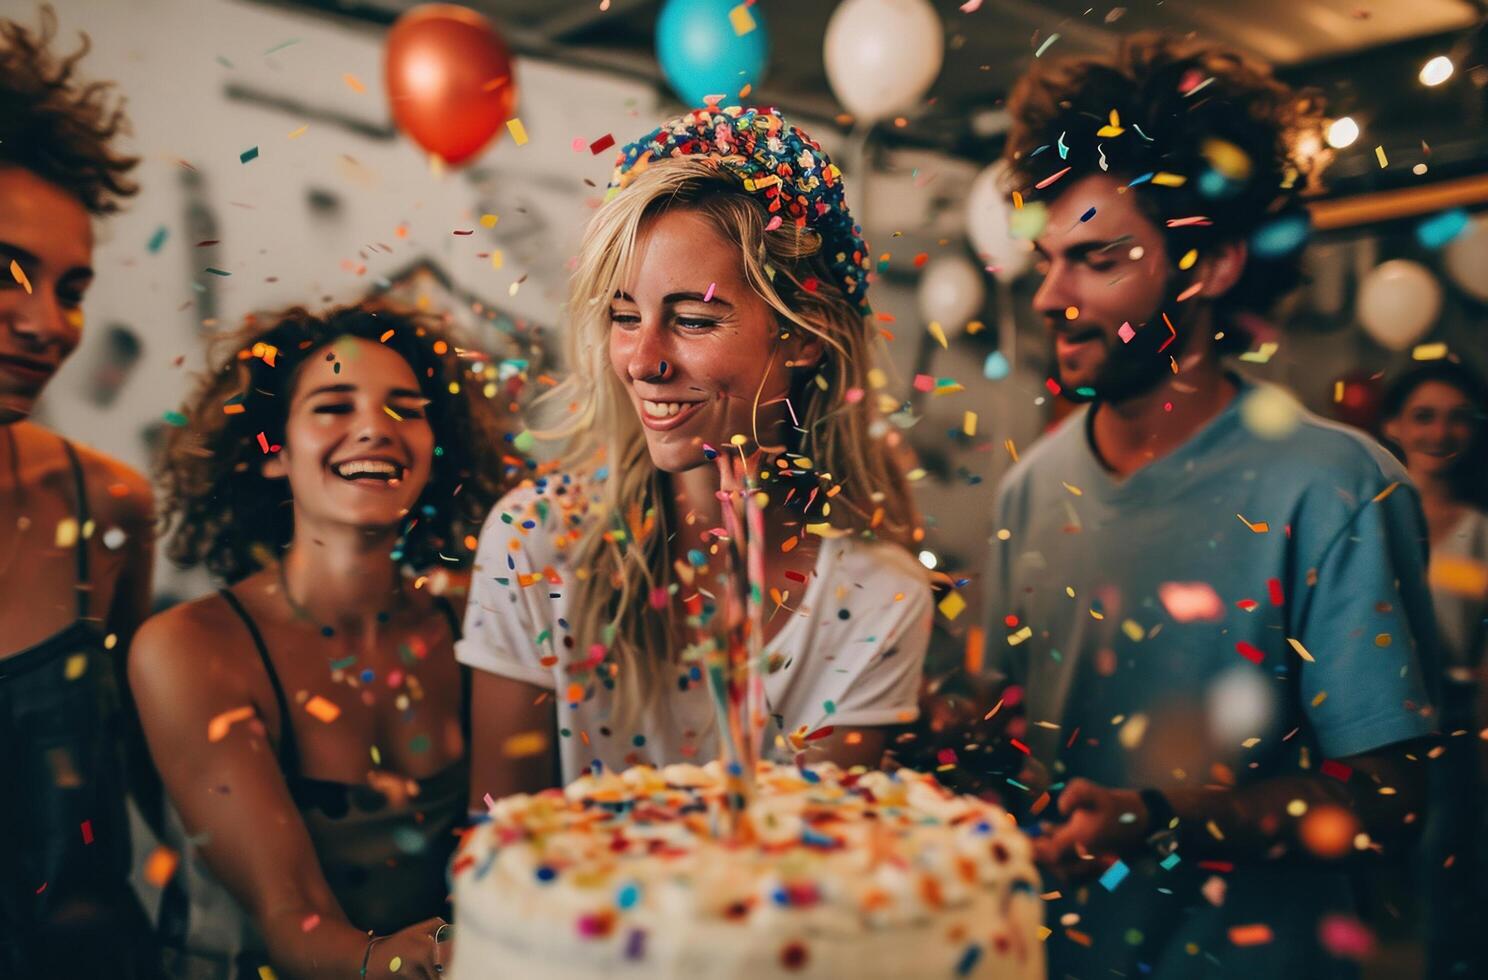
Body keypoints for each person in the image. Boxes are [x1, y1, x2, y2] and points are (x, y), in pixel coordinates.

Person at [979, 36, 1438, 978]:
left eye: (1097, 259)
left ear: (1214, 265)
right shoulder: (1030, 489)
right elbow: (1013, 725)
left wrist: (1162, 821)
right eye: (1048, 259)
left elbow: (1392, 798)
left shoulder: (1336, 487)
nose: (1052, 295)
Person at [459, 105, 933, 803]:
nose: (642, 360)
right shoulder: (533, 544)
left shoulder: (877, 598)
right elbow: (497, 842)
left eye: (692, 320)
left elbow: (816, 870)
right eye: (625, 316)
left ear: (804, 336)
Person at [129, 306, 509, 979]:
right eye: (334, 405)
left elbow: (507, 853)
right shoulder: (189, 647)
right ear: (271, 451)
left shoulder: (479, 614)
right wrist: (399, 961)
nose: (375, 428)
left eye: (406, 409)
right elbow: (290, 915)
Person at [0, 7, 159, 976]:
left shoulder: (107, 506)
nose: (46, 322)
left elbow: (147, 775)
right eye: (9, 273)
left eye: (71, 287)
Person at [1380, 359, 1487, 979]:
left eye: (1457, 419)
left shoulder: (1480, 533)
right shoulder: (1367, 516)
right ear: (1394, 425)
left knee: (1441, 872)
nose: (1439, 433)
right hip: (1362, 713)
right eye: (1423, 416)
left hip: (1448, 722)